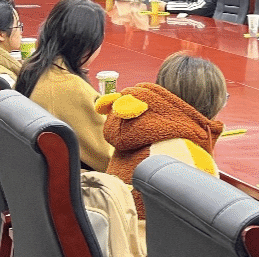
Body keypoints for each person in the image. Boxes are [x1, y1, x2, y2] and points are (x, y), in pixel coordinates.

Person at [96, 52, 228, 216]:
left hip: (119, 226)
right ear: (211, 103)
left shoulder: (140, 127)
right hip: (148, 231)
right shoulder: (190, 156)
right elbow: (212, 215)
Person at [15, 0, 112, 172]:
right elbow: (109, 158)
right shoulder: (69, 87)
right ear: (87, 46)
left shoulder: (32, 67)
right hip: (71, 182)